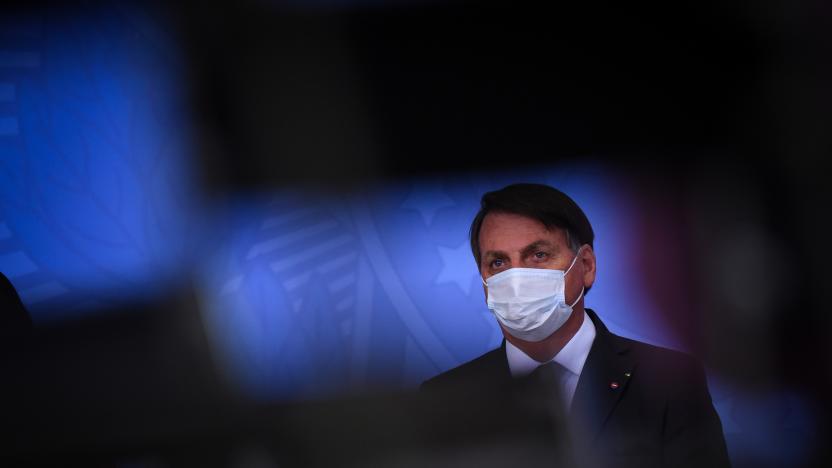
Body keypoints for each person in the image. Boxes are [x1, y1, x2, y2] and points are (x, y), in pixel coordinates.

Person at [421, 183, 730, 468]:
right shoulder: (443, 401)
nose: (516, 279)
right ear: (485, 282)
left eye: (538, 255)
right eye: (498, 263)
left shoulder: (668, 382)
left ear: (586, 266)